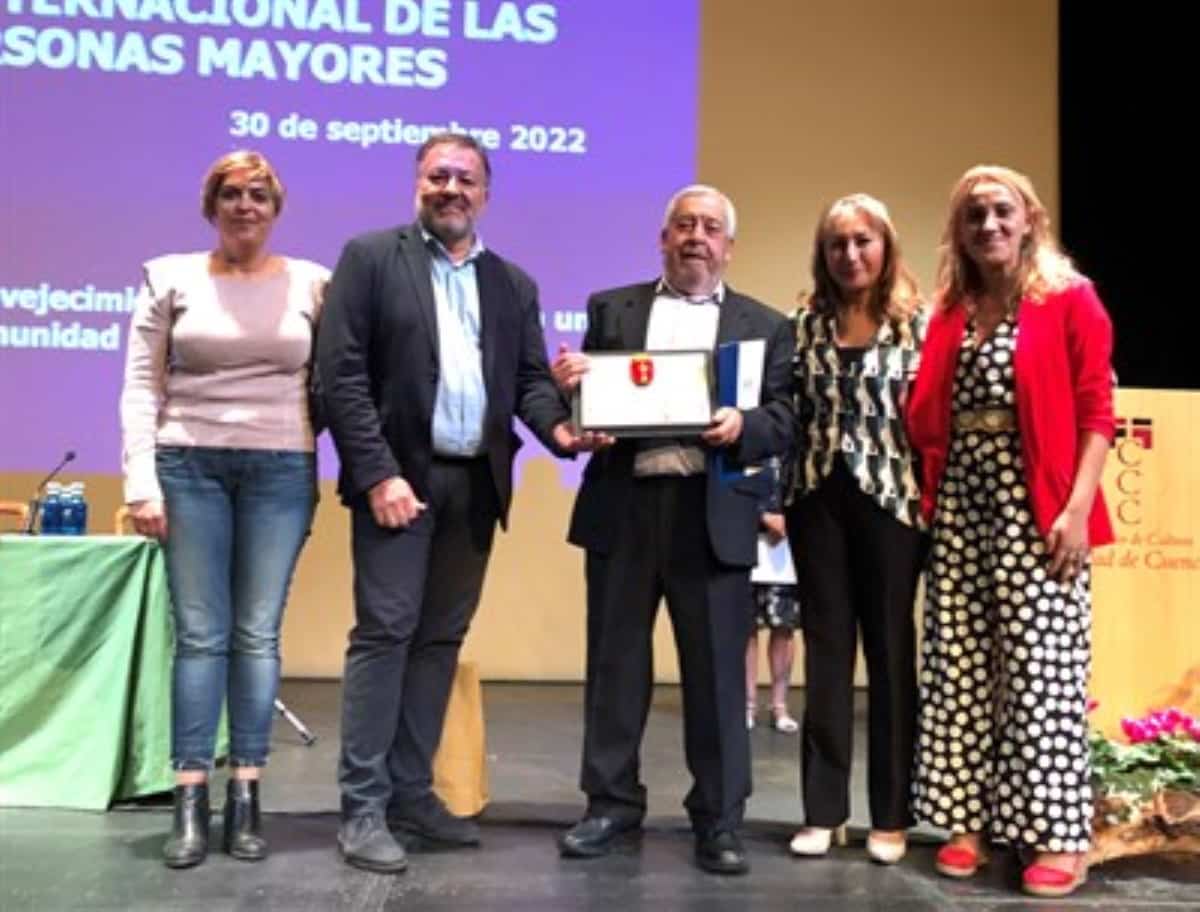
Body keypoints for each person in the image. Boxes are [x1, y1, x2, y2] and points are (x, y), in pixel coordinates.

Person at [315, 133, 603, 874]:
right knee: (385, 634)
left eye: (465, 179)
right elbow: (339, 376)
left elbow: (530, 381)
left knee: (439, 640)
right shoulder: (370, 259)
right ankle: (363, 807)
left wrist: (561, 432)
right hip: (398, 483)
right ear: (417, 183)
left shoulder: (512, 283)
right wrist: (378, 475)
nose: (451, 188)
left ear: (485, 194)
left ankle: (412, 795)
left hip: (474, 486)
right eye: (438, 175)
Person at [551, 185, 794, 875]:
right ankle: (609, 807)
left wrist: (746, 424)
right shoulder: (612, 308)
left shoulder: (765, 325)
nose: (696, 237)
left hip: (710, 514)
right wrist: (575, 389)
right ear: (663, 238)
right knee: (615, 666)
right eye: (684, 225)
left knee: (718, 676)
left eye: (711, 227)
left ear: (728, 247)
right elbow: (590, 402)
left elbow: (785, 415)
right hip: (624, 508)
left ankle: (718, 820)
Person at [906, 165, 1115, 898]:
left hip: (1040, 503)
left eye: (1002, 211)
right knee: (959, 661)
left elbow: (1097, 411)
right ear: (959, 232)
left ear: (1029, 219)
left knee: (1040, 666)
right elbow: (929, 412)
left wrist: (1077, 509)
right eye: (974, 216)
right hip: (963, 504)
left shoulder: (1070, 299)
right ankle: (966, 822)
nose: (988, 225)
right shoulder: (952, 310)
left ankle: (1057, 834)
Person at [120, 150, 327, 868]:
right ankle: (189, 799)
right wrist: (141, 483)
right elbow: (141, 385)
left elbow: (338, 380)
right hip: (188, 465)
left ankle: (245, 796)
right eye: (233, 194)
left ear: (276, 208)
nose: (246, 205)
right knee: (202, 636)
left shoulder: (314, 283)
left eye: (260, 195)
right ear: (211, 206)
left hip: (282, 468)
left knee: (257, 635)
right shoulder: (169, 276)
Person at [784, 194, 928, 865]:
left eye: (863, 240)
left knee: (891, 654)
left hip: (894, 504)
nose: (850, 254)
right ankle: (824, 812)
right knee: (826, 653)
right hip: (816, 500)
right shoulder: (802, 325)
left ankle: (891, 816)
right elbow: (785, 414)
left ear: (886, 246)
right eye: (837, 243)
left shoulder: (919, 325)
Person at [744, 456, 801, 734]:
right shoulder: (744, 442)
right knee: (746, 630)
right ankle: (747, 705)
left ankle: (780, 706)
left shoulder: (794, 444)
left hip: (785, 549)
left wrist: (789, 519)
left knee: (784, 628)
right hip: (746, 543)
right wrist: (761, 516)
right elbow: (730, 486)